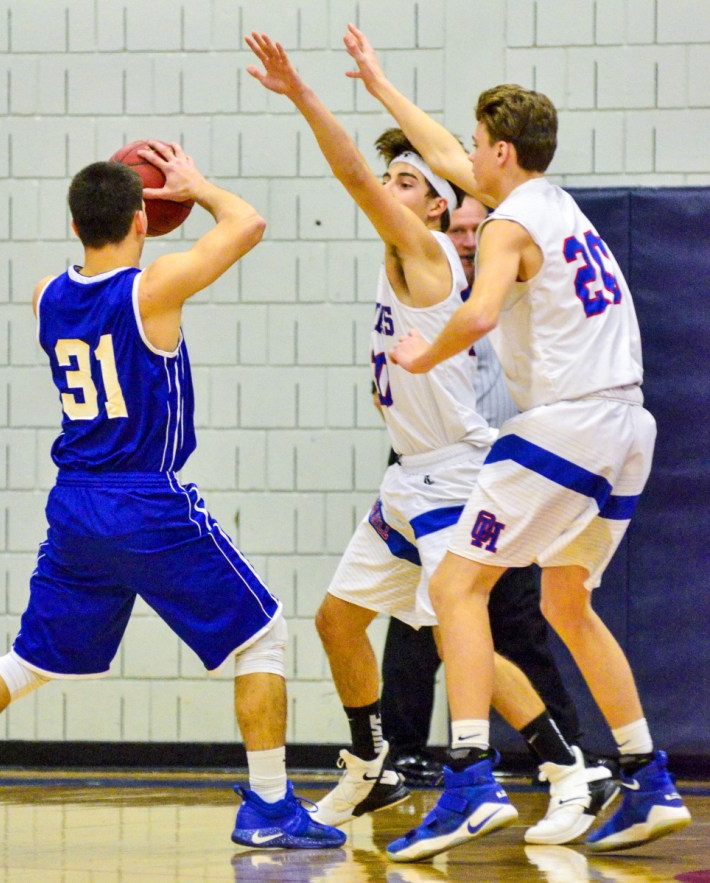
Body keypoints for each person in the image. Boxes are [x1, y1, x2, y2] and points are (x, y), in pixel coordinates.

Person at [245, 33, 616, 847]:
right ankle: (374, 761)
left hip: (455, 471)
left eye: (408, 182)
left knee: (463, 629)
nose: (389, 187)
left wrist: (305, 95)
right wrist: (379, 83)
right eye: (392, 176)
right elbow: (436, 150)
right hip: (408, 477)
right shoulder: (400, 246)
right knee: (339, 621)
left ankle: (546, 768)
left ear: (438, 209)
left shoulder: (427, 258)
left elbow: (350, 174)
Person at [343, 23, 692, 861]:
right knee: (567, 602)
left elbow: (482, 310)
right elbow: (437, 146)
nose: (463, 157)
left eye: (473, 145)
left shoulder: (504, 229)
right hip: (627, 428)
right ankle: (646, 775)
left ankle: (468, 777)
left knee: (456, 589)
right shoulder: (552, 203)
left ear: (499, 150)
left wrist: (424, 351)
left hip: (566, 423)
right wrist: (382, 84)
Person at [0, 146, 345, 852]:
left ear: (74, 225)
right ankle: (268, 804)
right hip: (144, 499)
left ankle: (270, 802)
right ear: (142, 218)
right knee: (262, 634)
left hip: (75, 504)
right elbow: (248, 222)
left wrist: (148, 207)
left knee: (29, 662)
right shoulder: (152, 289)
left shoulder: (48, 293)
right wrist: (197, 188)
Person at [381, 196, 583, 787]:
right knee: (414, 618)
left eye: (478, 230)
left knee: (518, 620)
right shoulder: (424, 283)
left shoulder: (517, 294)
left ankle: (563, 754)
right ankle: (405, 751)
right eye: (461, 230)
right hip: (432, 468)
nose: (469, 239)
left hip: (502, 472)